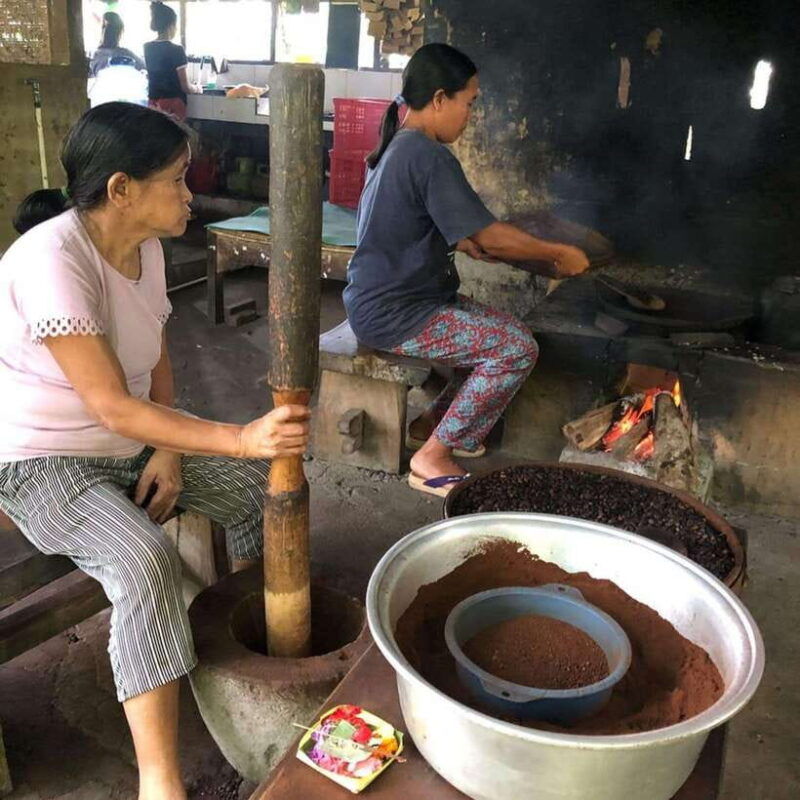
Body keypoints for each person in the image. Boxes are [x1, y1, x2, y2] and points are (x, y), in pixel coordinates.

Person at [1, 103, 310, 800]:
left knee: (260, 487)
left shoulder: (148, 249)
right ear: (121, 189)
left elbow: (156, 355)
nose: (190, 192)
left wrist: (167, 451)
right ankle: (159, 784)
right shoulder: (52, 260)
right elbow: (109, 403)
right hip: (39, 462)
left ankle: (262, 640)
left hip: (131, 445)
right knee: (144, 560)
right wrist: (237, 435)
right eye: (177, 178)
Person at [343, 43, 590, 497]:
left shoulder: (404, 145)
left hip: (398, 299)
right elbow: (493, 233)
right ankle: (433, 456)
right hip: (395, 312)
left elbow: (411, 221)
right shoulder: (426, 154)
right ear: (439, 99)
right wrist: (558, 254)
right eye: (469, 102)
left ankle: (434, 423)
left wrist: (463, 243)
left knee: (504, 329)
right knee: (515, 349)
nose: (470, 114)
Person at [144, 1, 200, 120]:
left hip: (153, 103)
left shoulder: (147, 47)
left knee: (155, 136)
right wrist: (197, 88)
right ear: (171, 26)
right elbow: (185, 87)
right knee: (175, 137)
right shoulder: (176, 49)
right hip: (173, 104)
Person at [88, 11, 145, 77]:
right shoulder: (126, 54)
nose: (108, 32)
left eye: (111, 28)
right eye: (105, 27)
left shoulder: (126, 53)